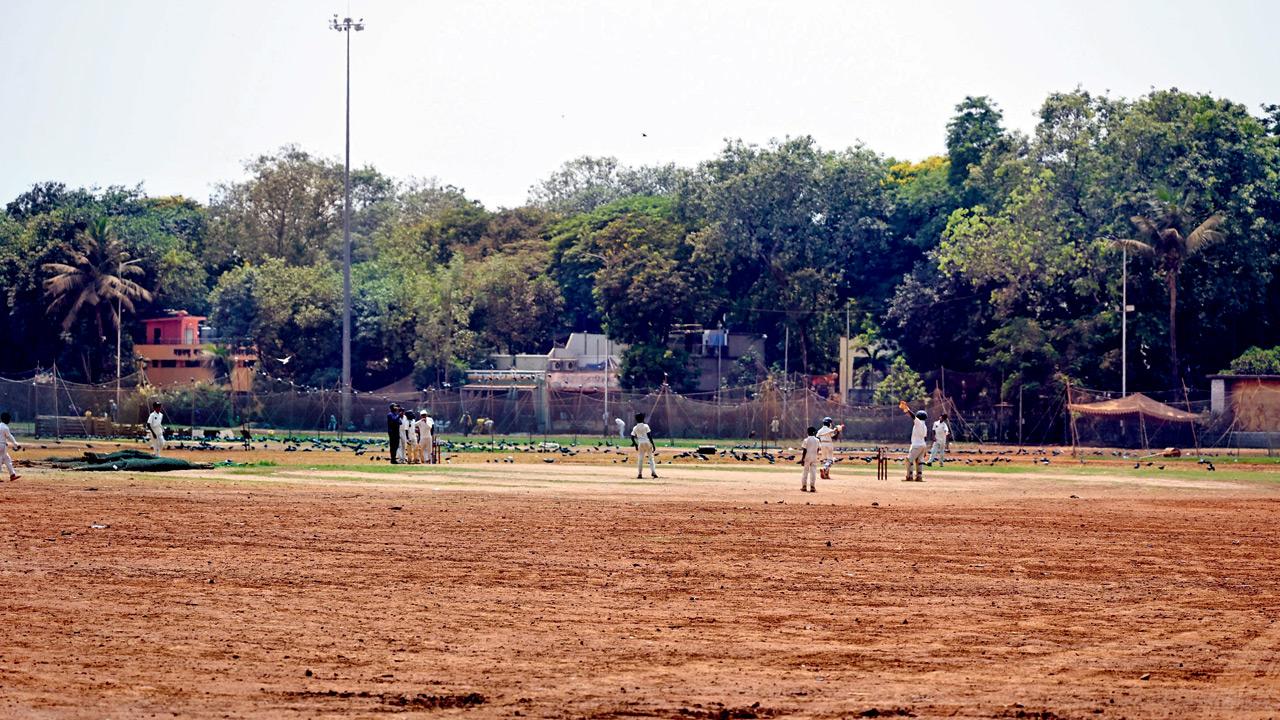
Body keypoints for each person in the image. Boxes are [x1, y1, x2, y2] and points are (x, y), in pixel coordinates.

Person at [899, 402, 927, 482]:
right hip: (923, 445)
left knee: (909, 460)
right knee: (919, 461)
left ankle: (909, 476)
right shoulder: (924, 426)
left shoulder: (918, 423)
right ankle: (919, 476)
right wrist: (925, 450)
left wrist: (907, 409)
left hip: (916, 445)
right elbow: (925, 437)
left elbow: (913, 416)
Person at [630, 412, 659, 479]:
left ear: (636, 420)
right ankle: (653, 473)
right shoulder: (646, 426)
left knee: (640, 459)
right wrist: (653, 445)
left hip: (640, 444)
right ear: (643, 419)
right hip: (647, 443)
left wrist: (635, 445)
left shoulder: (635, 427)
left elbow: (632, 437)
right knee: (651, 458)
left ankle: (640, 474)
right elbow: (649, 436)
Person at [1, 412, 22, 481]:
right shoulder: (5, 428)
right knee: (1, 459)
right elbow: (10, 437)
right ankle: (12, 475)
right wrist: (16, 444)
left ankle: (12, 475)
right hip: (2, 446)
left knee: (7, 459)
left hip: (3, 445)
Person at [799, 426, 819, 493]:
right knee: (813, 472)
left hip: (807, 457)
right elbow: (818, 449)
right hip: (814, 457)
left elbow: (804, 450)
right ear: (814, 432)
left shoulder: (806, 440)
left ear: (807, 432)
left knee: (805, 471)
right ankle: (812, 487)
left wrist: (802, 459)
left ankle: (804, 486)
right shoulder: (817, 440)